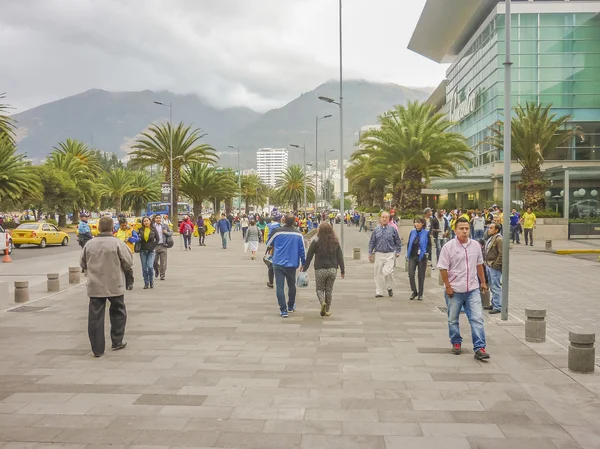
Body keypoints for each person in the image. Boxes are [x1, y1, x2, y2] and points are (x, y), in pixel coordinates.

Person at [437, 217, 490, 361]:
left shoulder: (475, 245)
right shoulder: (448, 247)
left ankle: (480, 347)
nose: (465, 231)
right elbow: (443, 268)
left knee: (477, 318)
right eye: (462, 229)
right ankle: (456, 342)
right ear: (455, 230)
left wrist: (483, 282)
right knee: (453, 319)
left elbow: (479, 265)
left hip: (472, 289)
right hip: (454, 290)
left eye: (467, 228)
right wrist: (448, 286)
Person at [80, 217, 133, 357]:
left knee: (95, 317)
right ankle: (117, 341)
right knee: (118, 312)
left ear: (98, 228)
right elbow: (128, 262)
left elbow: (82, 263)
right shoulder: (118, 243)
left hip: (95, 285)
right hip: (115, 283)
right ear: (112, 228)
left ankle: (97, 349)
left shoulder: (89, 244)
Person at [301, 222, 345, 317]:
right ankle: (327, 310)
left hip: (320, 269)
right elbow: (340, 256)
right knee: (329, 290)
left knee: (319, 289)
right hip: (333, 269)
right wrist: (342, 270)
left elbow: (309, 255)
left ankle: (322, 303)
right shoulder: (335, 240)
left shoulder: (316, 240)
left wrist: (305, 268)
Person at [266, 213, 306, 318]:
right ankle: (291, 306)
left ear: (283, 220)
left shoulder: (277, 232)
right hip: (292, 264)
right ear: (294, 222)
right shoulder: (298, 234)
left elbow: (268, 243)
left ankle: (283, 310)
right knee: (291, 285)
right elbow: (303, 250)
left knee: (279, 287)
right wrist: (304, 263)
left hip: (278, 262)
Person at [368, 212, 402, 298]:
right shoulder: (376, 230)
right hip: (379, 253)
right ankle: (379, 292)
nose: (384, 219)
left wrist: (398, 251)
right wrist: (370, 253)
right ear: (380, 218)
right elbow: (372, 242)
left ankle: (389, 287)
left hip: (390, 254)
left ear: (388, 219)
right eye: (383, 217)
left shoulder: (393, 229)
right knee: (378, 273)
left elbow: (398, 241)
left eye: (386, 217)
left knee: (387, 272)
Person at [406, 218, 431, 301]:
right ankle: (414, 291)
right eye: (416, 222)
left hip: (422, 256)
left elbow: (429, 245)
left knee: (421, 275)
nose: (417, 224)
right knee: (410, 274)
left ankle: (420, 293)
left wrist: (426, 253)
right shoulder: (412, 232)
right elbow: (409, 243)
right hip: (413, 256)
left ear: (423, 224)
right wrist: (408, 254)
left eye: (419, 222)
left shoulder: (426, 233)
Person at [483, 223, 503, 314]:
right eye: (488, 227)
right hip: (489, 264)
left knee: (496, 286)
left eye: (491, 228)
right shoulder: (491, 238)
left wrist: (496, 264)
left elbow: (502, 253)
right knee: (492, 286)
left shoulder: (499, 239)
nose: (489, 229)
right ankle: (494, 303)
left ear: (496, 230)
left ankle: (498, 306)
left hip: (494, 266)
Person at [138, 216, 159, 289]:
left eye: (147, 221)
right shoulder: (140, 230)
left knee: (150, 267)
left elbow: (157, 239)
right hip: (143, 251)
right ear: (143, 223)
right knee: (144, 268)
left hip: (151, 251)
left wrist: (153, 246)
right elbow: (138, 239)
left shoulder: (153, 229)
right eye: (144, 221)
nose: (146, 222)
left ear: (150, 221)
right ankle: (146, 283)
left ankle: (151, 281)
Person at [265, 214, 283, 288]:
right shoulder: (281, 227)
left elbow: (266, 237)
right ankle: (280, 281)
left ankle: (271, 282)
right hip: (279, 248)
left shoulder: (268, 226)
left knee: (270, 265)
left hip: (271, 247)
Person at [153, 214, 172, 281]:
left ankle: (162, 274)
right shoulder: (152, 226)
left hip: (163, 245)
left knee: (163, 262)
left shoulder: (165, 226)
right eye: (157, 218)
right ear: (155, 219)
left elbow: (170, 233)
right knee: (154, 261)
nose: (158, 219)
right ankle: (157, 269)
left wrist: (166, 232)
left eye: (159, 218)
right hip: (154, 246)